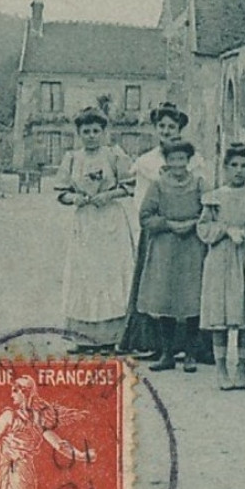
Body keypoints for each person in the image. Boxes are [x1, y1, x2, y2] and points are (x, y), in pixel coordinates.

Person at [121, 102, 208, 356]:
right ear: (156, 128)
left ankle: (190, 348)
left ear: (180, 129)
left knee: (189, 287)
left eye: (173, 126)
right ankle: (154, 344)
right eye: (163, 126)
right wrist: (160, 224)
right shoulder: (147, 161)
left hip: (190, 233)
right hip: (158, 232)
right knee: (157, 287)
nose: (167, 131)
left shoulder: (192, 160)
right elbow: (142, 199)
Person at [56, 106, 137, 353]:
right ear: (79, 134)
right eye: (86, 132)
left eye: (95, 131)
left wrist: (109, 195)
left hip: (110, 221)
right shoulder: (72, 158)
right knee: (85, 275)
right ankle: (83, 338)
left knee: (110, 274)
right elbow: (62, 193)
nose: (91, 136)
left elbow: (128, 186)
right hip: (85, 222)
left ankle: (110, 338)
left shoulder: (115, 155)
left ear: (103, 132)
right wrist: (75, 199)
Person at [197, 144, 245, 390]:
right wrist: (224, 230)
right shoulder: (215, 196)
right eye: (234, 166)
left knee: (244, 316)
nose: (239, 171)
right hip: (222, 259)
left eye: (244, 166)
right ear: (225, 168)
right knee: (220, 316)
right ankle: (222, 368)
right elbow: (203, 227)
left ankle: (242, 368)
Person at [136, 139, 207, 373]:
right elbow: (145, 216)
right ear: (166, 161)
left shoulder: (198, 183)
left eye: (182, 159)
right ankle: (167, 353)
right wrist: (167, 224)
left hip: (192, 246)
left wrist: (193, 224)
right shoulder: (157, 185)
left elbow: (210, 212)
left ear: (189, 161)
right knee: (164, 298)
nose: (178, 163)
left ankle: (190, 354)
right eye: (173, 159)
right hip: (165, 246)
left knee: (191, 298)